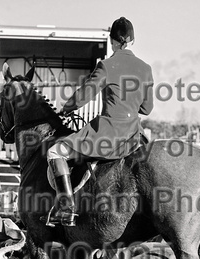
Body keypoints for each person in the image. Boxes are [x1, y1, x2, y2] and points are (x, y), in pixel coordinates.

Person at [45, 17, 154, 227]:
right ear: (133, 41)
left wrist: (67, 108)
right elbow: (147, 108)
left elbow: (85, 94)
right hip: (133, 136)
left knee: (54, 152)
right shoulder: (145, 68)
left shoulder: (107, 65)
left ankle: (66, 208)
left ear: (112, 40)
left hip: (107, 134)